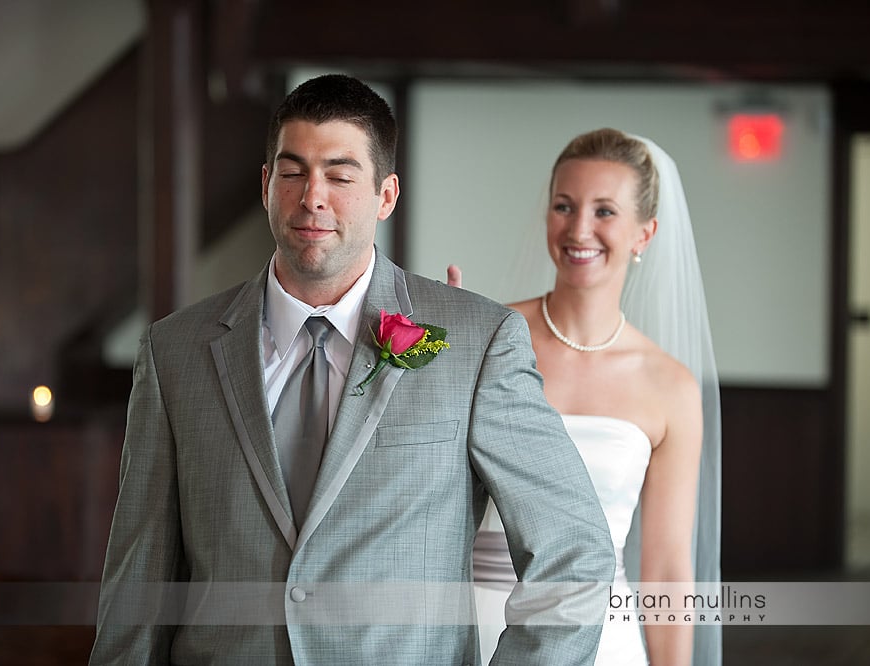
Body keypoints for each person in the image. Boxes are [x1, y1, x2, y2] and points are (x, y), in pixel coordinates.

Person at [90, 74, 615, 665]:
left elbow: (574, 552)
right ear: (266, 185)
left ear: (386, 195)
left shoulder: (477, 342)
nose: (312, 197)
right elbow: (138, 579)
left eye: (340, 176)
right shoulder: (174, 350)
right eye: (292, 173)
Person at [453, 128, 722, 665]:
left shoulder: (669, 386)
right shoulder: (483, 335)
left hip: (602, 636)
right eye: (564, 206)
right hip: (473, 626)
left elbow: (668, 567)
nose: (579, 229)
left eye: (605, 212)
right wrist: (443, 353)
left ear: (645, 234)